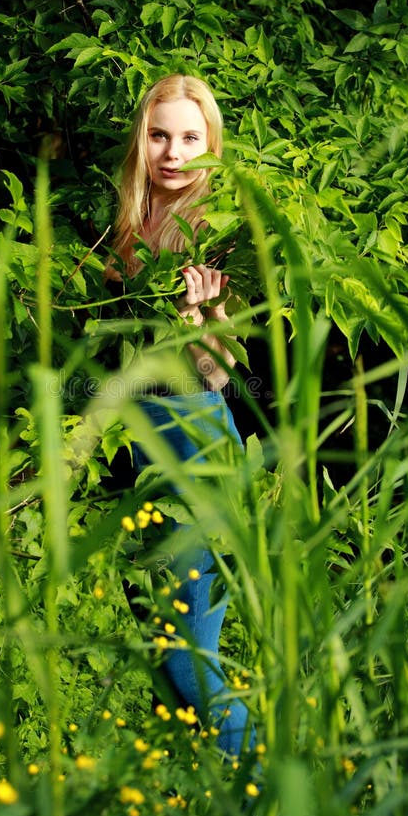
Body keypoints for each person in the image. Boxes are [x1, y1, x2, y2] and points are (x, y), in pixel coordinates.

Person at [106, 74, 254, 760]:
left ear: (209, 144)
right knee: (163, 635)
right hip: (147, 439)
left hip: (193, 435)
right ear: (142, 140)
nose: (173, 151)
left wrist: (201, 317)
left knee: (186, 645)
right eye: (160, 134)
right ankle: (204, 786)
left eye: (190, 137)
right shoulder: (134, 220)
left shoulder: (213, 225)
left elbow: (219, 375)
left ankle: (266, 778)